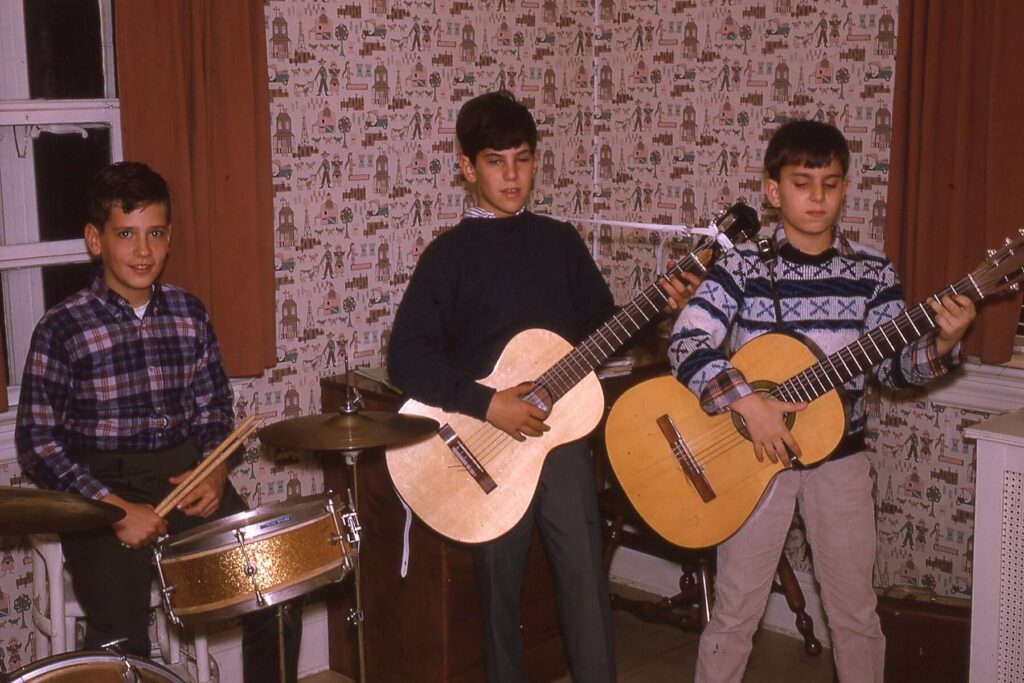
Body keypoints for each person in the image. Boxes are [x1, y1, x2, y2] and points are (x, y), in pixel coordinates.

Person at [387, 90, 696, 682]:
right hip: (484, 448)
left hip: (558, 445)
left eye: (523, 159)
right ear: (467, 167)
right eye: (496, 160)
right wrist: (488, 402)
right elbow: (407, 358)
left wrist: (658, 306)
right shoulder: (448, 257)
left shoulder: (558, 243)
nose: (512, 174)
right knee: (498, 597)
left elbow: (606, 332)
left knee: (586, 585)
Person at [667, 119, 976, 682]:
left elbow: (893, 368)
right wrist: (747, 402)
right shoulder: (740, 268)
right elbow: (687, 341)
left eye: (830, 183)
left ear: (844, 187)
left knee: (856, 614)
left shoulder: (872, 273)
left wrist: (945, 342)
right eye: (802, 182)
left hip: (842, 463)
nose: (817, 197)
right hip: (754, 465)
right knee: (735, 612)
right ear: (773, 190)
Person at [15, 162, 300, 682]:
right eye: (126, 234)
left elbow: (215, 408)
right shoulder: (62, 327)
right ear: (95, 240)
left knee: (276, 593)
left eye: (155, 234)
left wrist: (214, 471)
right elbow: (37, 443)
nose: (142, 251)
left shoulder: (189, 313)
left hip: (186, 475)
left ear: (169, 239)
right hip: (99, 492)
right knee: (123, 647)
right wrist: (114, 509)